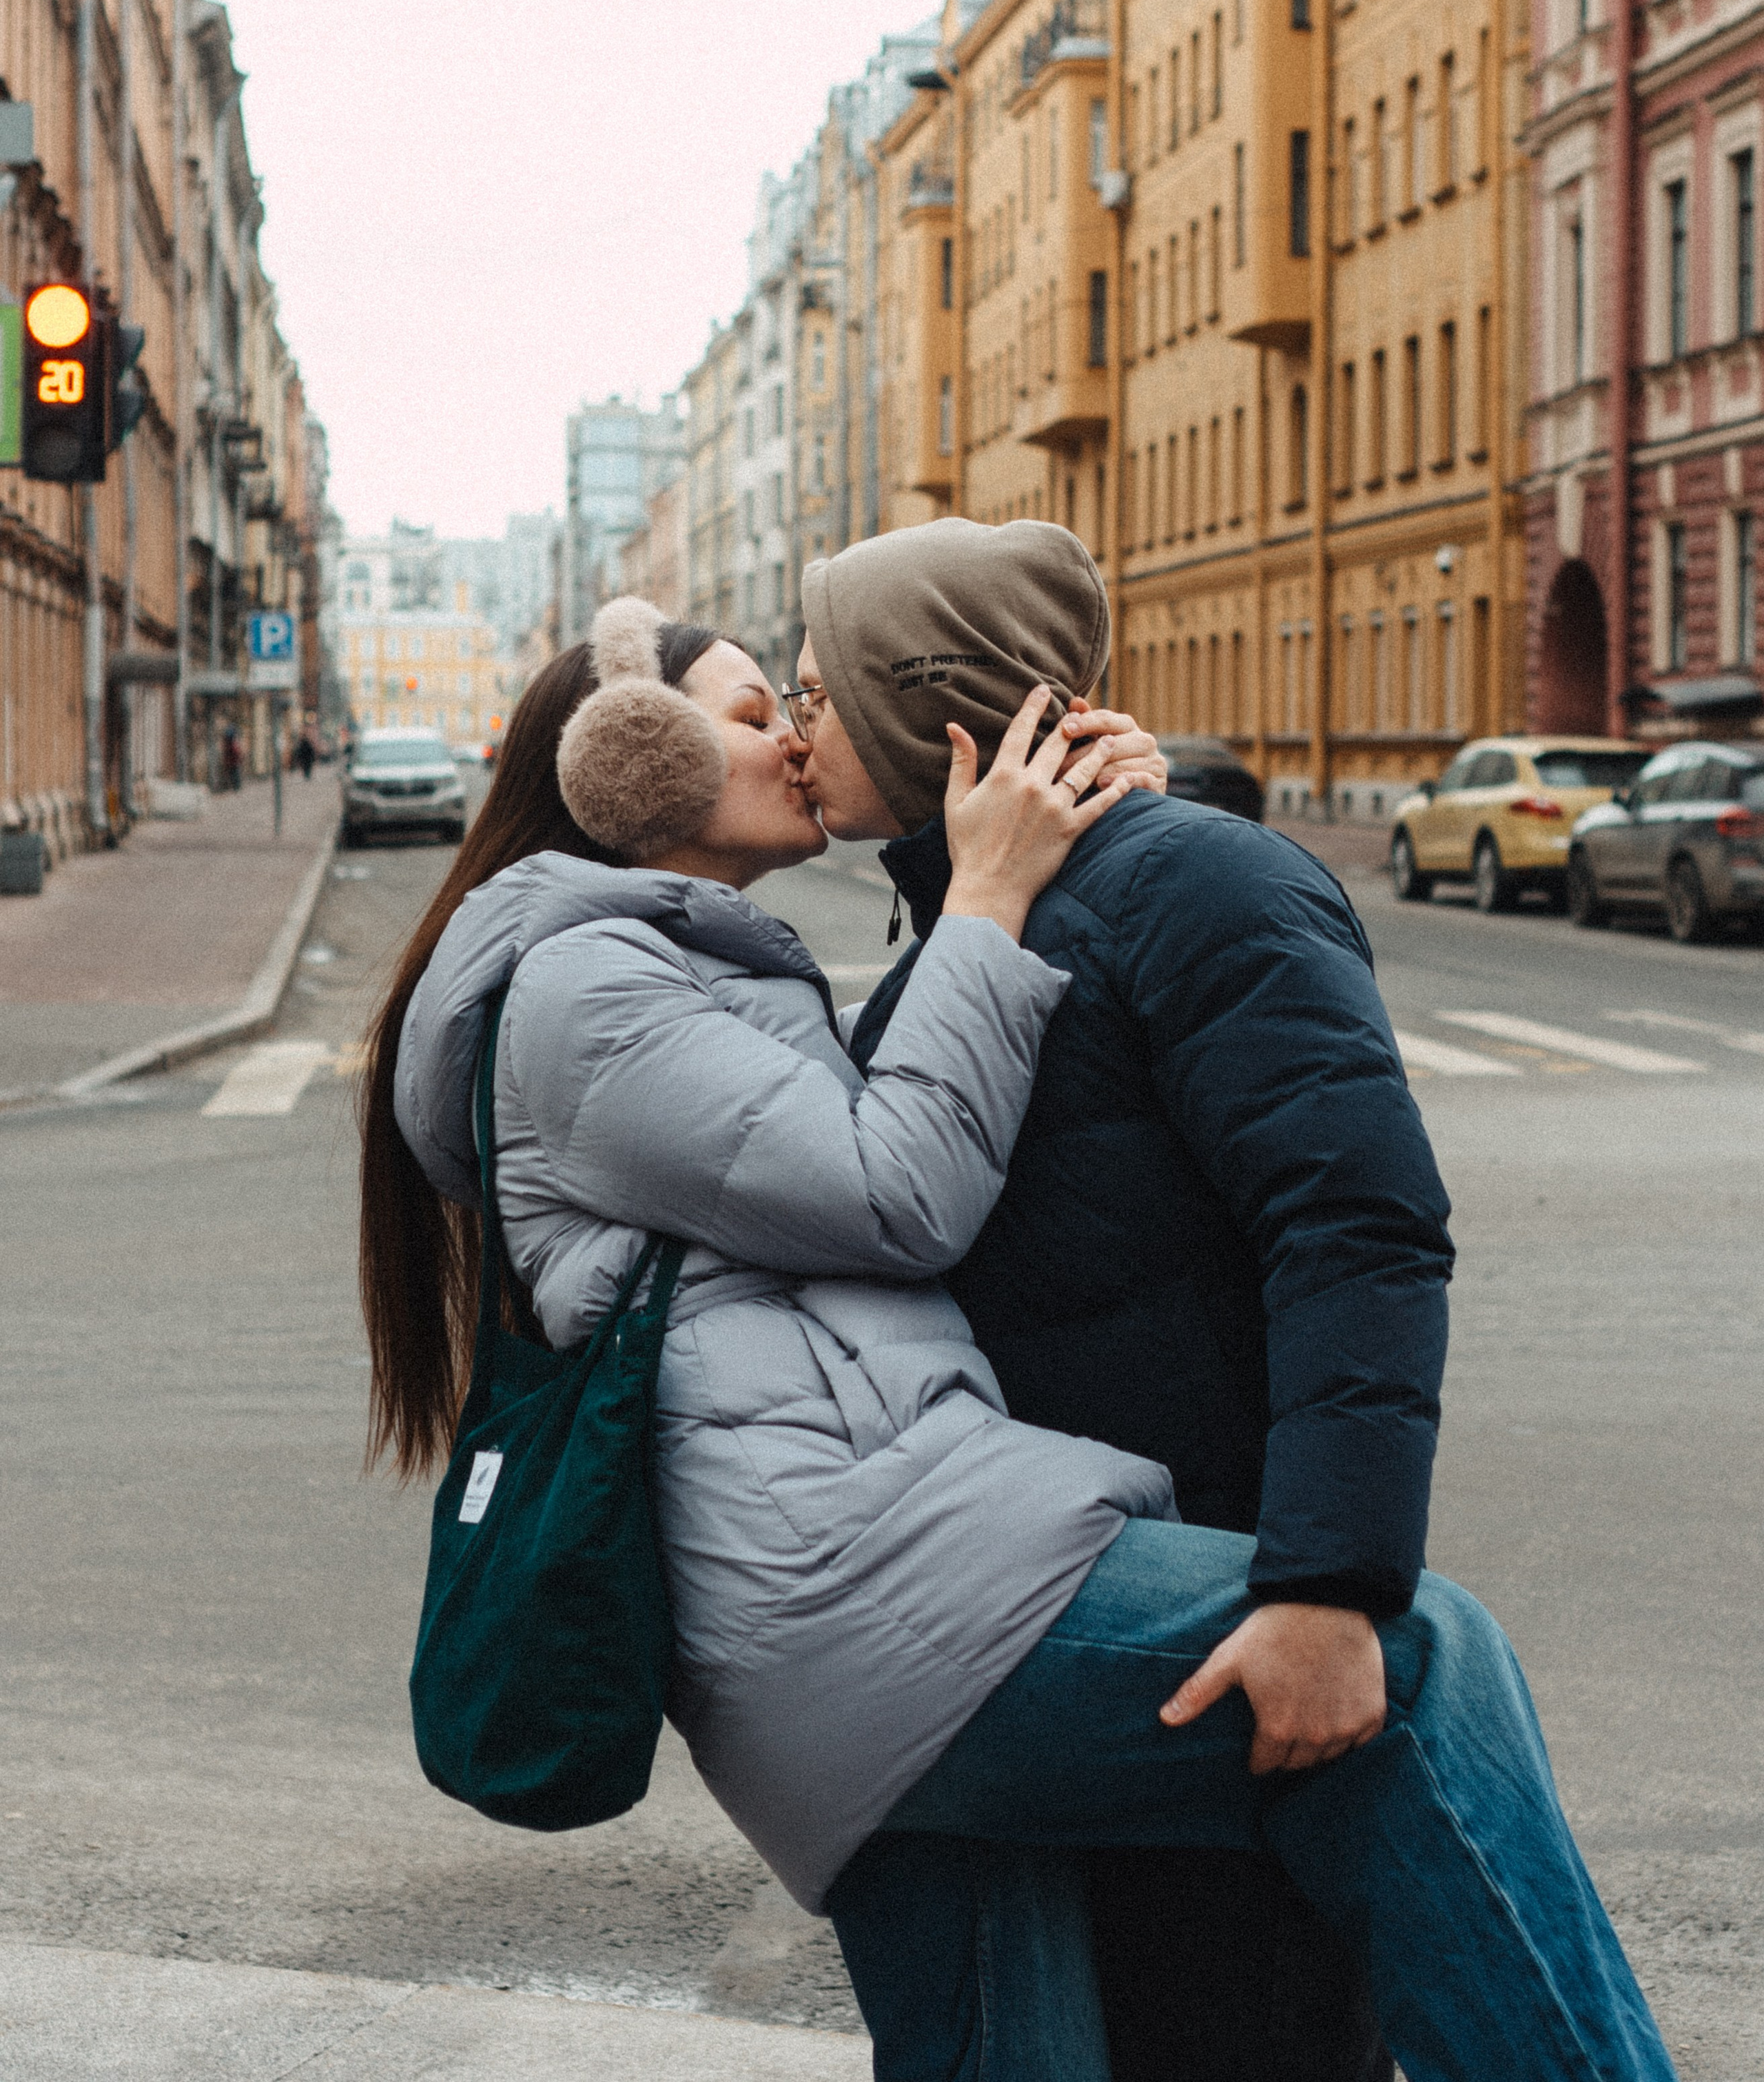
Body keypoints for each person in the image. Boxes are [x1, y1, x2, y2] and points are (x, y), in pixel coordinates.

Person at [360, 597, 1674, 2082]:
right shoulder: (587, 987)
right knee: (1422, 1671)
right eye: (752, 714)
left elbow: (943, 1103)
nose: (793, 740)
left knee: (1016, 2057)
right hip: (857, 1596)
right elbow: (897, 1185)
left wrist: (1090, 835)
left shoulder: (679, 963)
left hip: (845, 1603)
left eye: (801, 705)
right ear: (624, 766)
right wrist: (988, 891)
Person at [792, 518, 1446, 2076]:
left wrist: (1326, 1587)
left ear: (922, 705)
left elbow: (1355, 1230)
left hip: (1213, 1615)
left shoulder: (1197, 885)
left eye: (822, 691)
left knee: (1236, 2032)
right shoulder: (975, 921)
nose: (798, 725)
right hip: (1049, 1619)